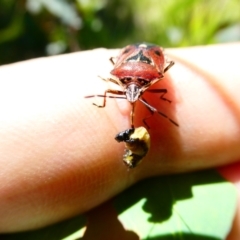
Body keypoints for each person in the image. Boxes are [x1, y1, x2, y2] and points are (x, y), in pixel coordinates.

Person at [0, 43, 239, 239]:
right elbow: (144, 90)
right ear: (122, 82)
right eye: (128, 89)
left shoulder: (149, 82)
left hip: (138, 66)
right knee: (110, 93)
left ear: (148, 83)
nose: (131, 94)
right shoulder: (134, 83)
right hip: (143, 64)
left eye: (137, 90)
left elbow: (161, 89)